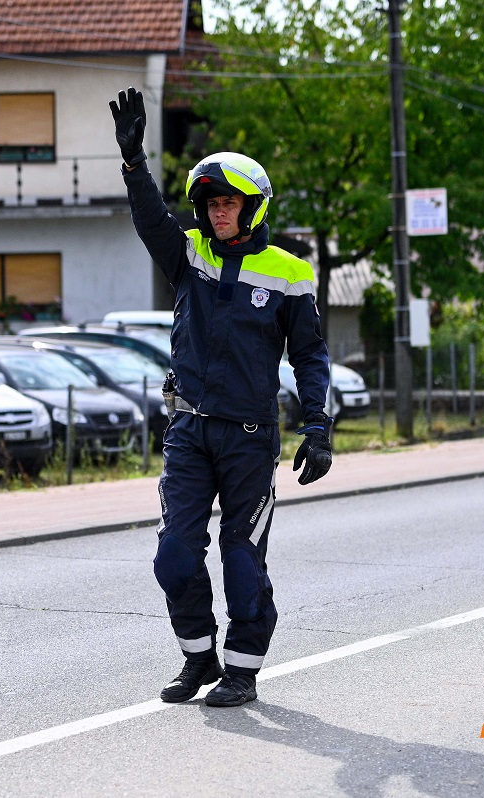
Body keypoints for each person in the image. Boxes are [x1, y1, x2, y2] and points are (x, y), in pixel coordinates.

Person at [109, 87, 334, 707]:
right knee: (174, 557)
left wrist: (319, 426)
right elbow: (152, 218)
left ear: (253, 207)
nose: (217, 214)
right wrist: (134, 166)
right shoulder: (189, 256)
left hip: (250, 438)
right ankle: (199, 657)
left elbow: (309, 355)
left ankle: (243, 670)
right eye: (210, 204)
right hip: (188, 431)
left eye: (229, 203)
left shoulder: (289, 271)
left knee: (241, 561)